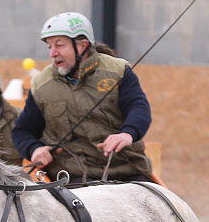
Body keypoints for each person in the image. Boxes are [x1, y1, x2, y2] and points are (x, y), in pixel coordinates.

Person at [12, 12, 155, 182]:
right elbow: (22, 131)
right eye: (49, 47)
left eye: (59, 45)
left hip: (126, 174)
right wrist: (34, 149)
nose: (53, 53)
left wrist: (127, 134)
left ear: (82, 45)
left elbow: (138, 107)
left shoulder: (118, 70)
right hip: (70, 180)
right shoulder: (42, 85)